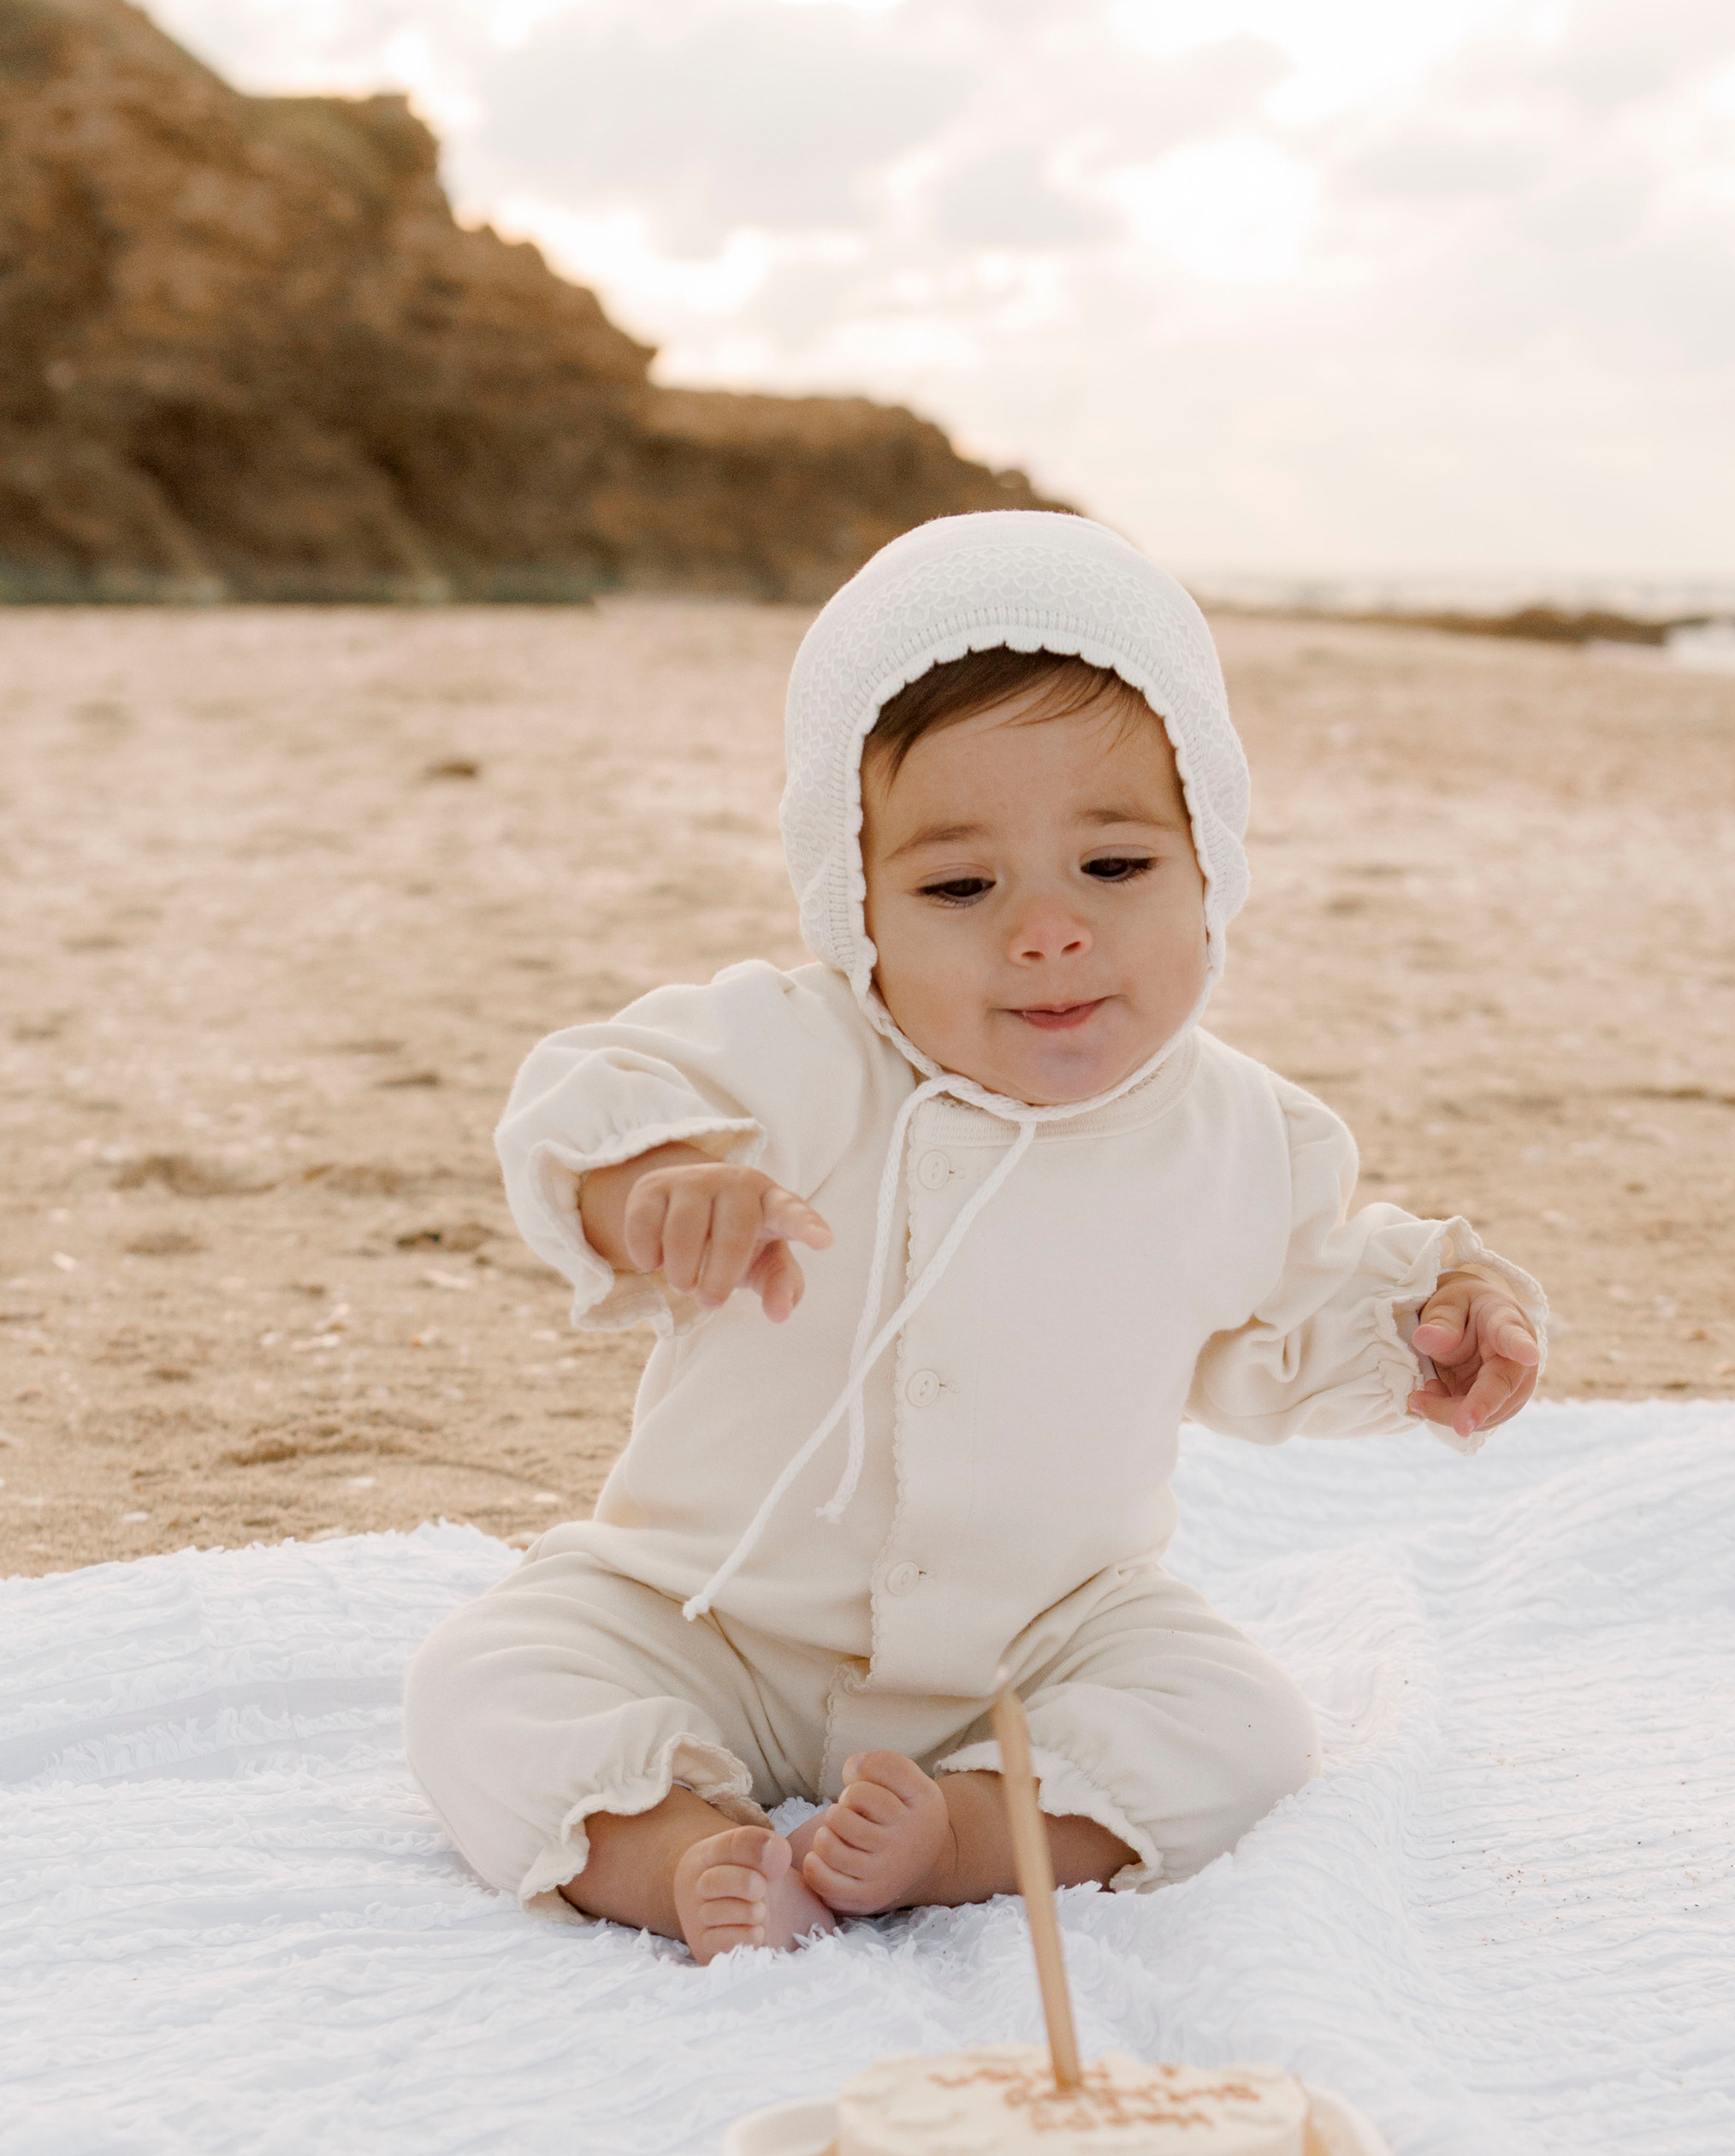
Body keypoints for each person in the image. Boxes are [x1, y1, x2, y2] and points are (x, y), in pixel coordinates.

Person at [403, 513, 1547, 1958]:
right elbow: (585, 1097)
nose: (1049, 932)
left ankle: (967, 1834)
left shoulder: (1247, 1138)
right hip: (711, 1615)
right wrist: (656, 1184)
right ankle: (682, 1850)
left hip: (1038, 1643)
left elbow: (1302, 1322)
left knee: (1245, 1727)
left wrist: (1436, 1324)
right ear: (855, 903)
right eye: (960, 887)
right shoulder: (794, 1047)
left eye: (1117, 868)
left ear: (1214, 867)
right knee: (484, 1679)